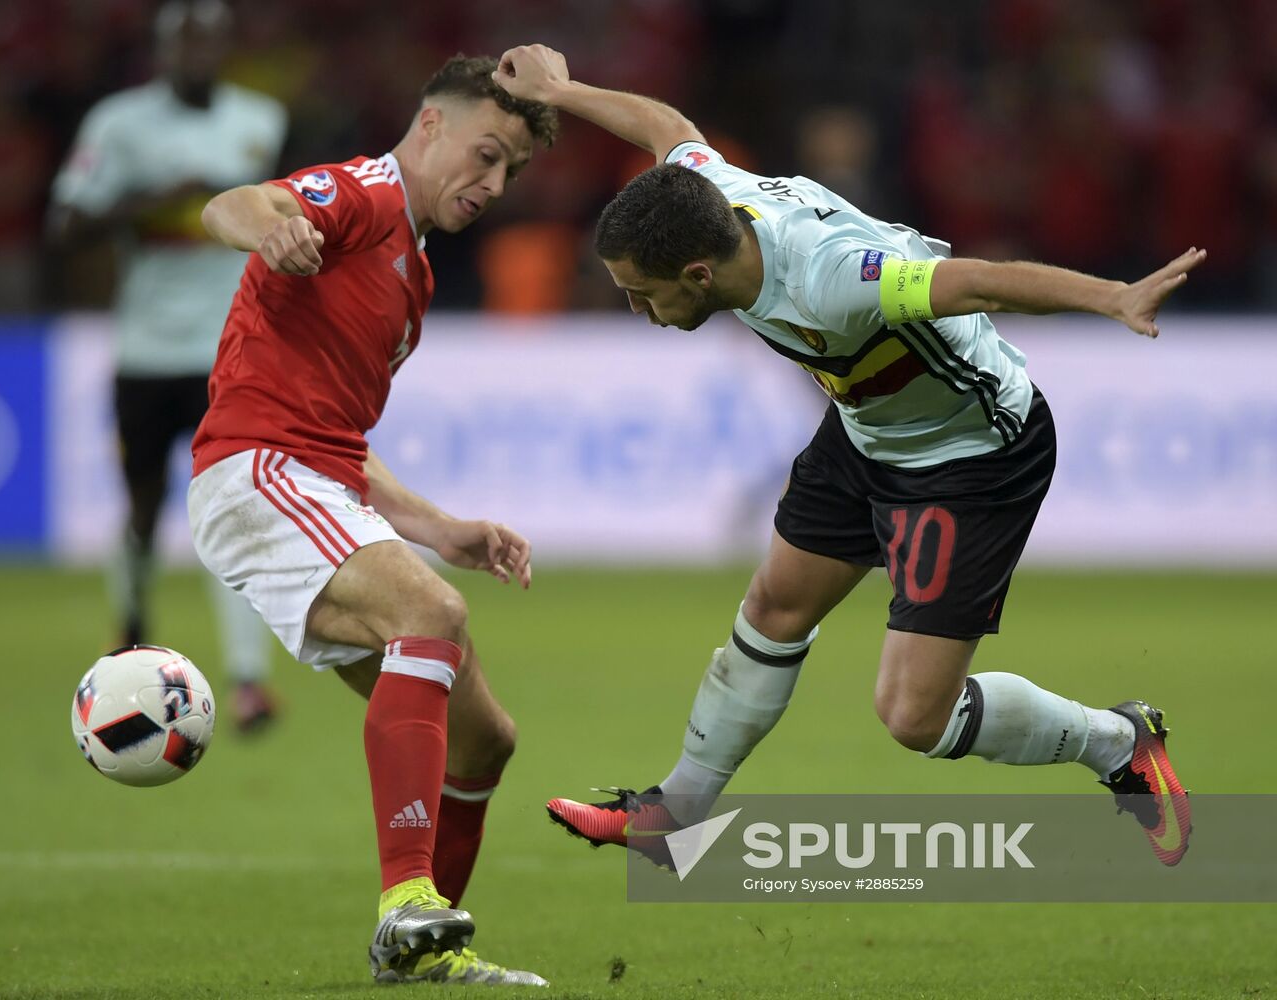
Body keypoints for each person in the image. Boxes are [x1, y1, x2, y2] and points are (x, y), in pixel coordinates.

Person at [492, 44, 1202, 870]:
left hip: (970, 454)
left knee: (913, 717)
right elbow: (668, 127)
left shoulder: (838, 282)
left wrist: (1111, 297)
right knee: (776, 606)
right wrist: (564, 90)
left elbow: (972, 281)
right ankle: (674, 818)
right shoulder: (710, 198)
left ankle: (1119, 743)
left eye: (645, 294)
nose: (640, 312)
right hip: (867, 430)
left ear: (695, 271)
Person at [187, 53, 556, 986]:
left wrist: (439, 528)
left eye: (509, 168)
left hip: (318, 481)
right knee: (430, 617)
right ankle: (407, 904)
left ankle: (431, 958)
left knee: (486, 740)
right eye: (484, 153)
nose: (493, 183)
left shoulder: (414, 280)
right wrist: (268, 232)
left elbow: (344, 441)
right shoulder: (362, 194)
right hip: (256, 470)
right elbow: (233, 204)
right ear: (429, 126)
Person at [49, 0, 284, 731]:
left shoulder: (262, 121)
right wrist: (155, 201)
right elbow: (65, 223)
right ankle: (128, 638)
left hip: (230, 350)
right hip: (145, 347)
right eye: (182, 43)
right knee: (144, 508)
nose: (196, 56)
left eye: (208, 42)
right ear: (161, 50)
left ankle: (248, 680)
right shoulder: (119, 126)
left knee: (237, 512)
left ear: (225, 47)